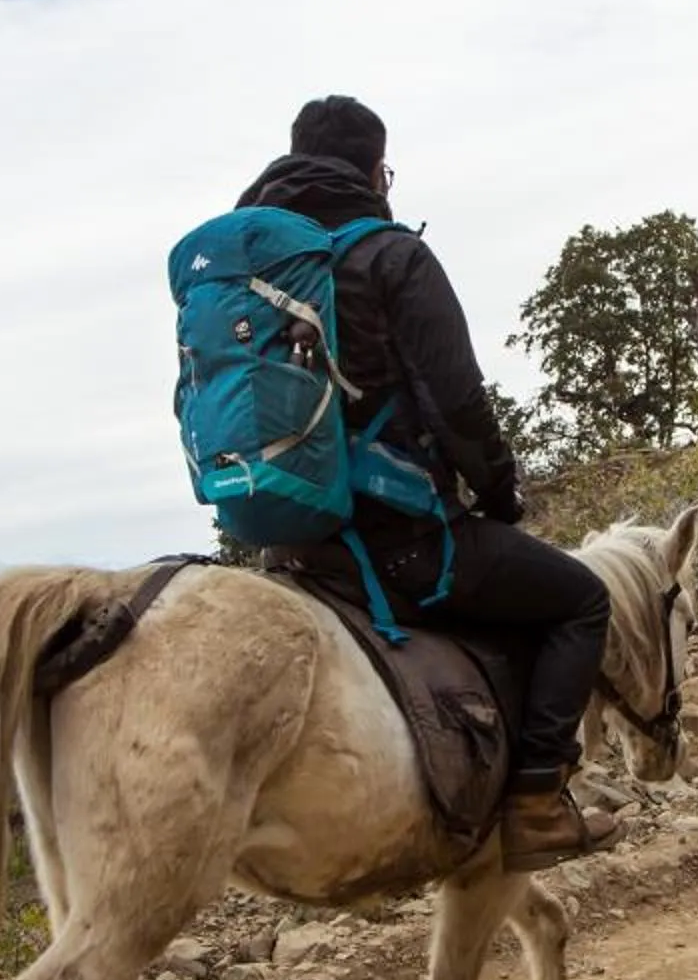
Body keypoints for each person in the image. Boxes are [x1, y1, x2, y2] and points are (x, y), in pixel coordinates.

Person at [238, 95, 623, 869]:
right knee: (583, 599)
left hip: (292, 546)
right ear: (375, 169)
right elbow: (459, 402)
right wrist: (501, 493)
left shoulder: (250, 268)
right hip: (401, 541)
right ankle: (539, 798)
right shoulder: (389, 254)